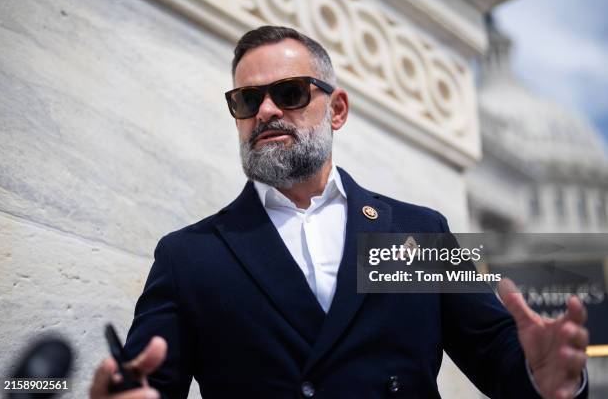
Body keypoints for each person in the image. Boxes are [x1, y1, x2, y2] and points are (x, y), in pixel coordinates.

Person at [90, 26, 589, 399]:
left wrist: (542, 375)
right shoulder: (189, 255)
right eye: (247, 99)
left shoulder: (417, 230)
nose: (266, 111)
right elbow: (149, 383)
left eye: (289, 93)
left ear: (338, 110)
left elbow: (497, 353)